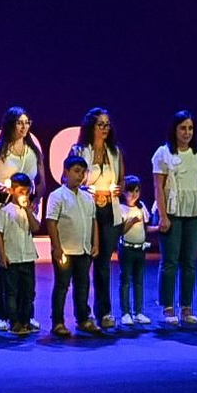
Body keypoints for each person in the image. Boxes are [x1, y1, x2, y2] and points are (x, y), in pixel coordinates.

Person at [0, 107, 43, 331]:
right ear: (10, 124)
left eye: (27, 122)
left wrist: (37, 198)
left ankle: (25, 314)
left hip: (24, 209)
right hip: (1, 208)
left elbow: (41, 179)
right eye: (19, 122)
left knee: (25, 263)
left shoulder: (32, 149)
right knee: (4, 261)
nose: (24, 127)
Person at [152, 110, 197, 326]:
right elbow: (158, 186)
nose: (187, 132)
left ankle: (186, 307)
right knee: (169, 261)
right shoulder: (163, 153)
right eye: (183, 128)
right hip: (172, 211)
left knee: (189, 262)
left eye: (190, 128)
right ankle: (167, 307)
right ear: (174, 129)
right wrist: (163, 215)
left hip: (194, 211)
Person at [76, 107, 124, 329]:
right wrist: (91, 191)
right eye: (100, 125)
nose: (105, 128)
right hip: (87, 213)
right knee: (83, 264)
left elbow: (122, 182)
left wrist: (116, 190)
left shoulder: (114, 152)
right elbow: (68, 180)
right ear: (91, 127)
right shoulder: (78, 150)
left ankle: (104, 311)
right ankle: (83, 315)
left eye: (107, 124)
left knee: (103, 265)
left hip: (109, 213)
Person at [46, 153, 101, 337]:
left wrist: (95, 243)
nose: (80, 176)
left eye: (83, 172)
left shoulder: (87, 197)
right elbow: (51, 222)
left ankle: (83, 319)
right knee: (62, 286)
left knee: (83, 285)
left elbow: (93, 221)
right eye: (76, 171)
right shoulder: (57, 196)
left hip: (84, 250)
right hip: (66, 251)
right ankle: (58, 322)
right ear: (66, 172)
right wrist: (57, 247)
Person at [0, 172, 39, 336]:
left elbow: (35, 228)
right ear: (12, 191)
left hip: (27, 256)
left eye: (26, 192)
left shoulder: (29, 210)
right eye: (20, 191)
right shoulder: (5, 211)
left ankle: (26, 319)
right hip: (12, 258)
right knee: (10, 292)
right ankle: (14, 321)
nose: (24, 195)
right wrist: (2, 255)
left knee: (28, 292)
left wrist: (28, 211)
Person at [116, 175, 154, 326]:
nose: (134, 195)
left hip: (140, 249)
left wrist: (159, 228)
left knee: (139, 281)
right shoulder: (120, 208)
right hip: (126, 249)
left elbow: (146, 227)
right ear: (123, 193)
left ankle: (138, 312)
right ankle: (125, 312)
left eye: (137, 191)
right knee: (125, 280)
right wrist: (131, 221)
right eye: (130, 192)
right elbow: (120, 230)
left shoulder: (141, 207)